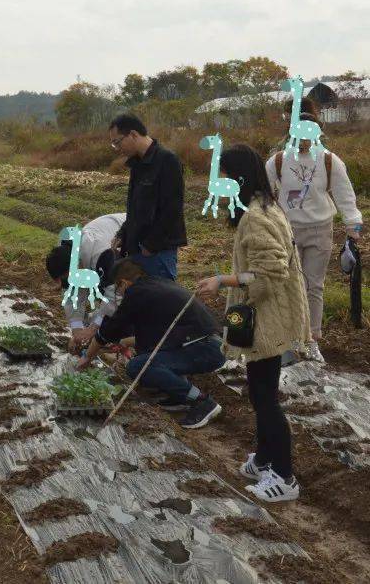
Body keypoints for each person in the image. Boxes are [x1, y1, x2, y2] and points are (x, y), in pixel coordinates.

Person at [195, 144, 311, 503]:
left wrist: (222, 280)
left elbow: (269, 272)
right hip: (266, 311)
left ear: (238, 178)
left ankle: (284, 476)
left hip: (268, 316)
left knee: (265, 396)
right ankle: (264, 459)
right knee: (258, 391)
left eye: (225, 176)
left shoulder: (256, 217)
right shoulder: (263, 205)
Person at [78, 258, 225, 428]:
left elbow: (108, 331)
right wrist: (124, 342)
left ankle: (202, 401)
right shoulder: (156, 285)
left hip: (205, 349)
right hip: (209, 344)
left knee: (138, 366)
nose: (119, 294)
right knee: (147, 359)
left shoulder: (136, 293)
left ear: (124, 283)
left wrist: (87, 357)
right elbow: (158, 335)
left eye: (118, 288)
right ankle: (179, 396)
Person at [265, 108, 363, 362]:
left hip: (321, 230)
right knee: (288, 285)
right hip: (287, 231)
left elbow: (344, 194)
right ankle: (288, 340)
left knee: (313, 286)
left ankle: (311, 339)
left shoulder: (329, 160)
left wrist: (354, 224)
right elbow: (262, 194)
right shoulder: (277, 161)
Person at [108, 114, 186, 280]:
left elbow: (172, 209)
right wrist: (123, 233)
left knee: (160, 300)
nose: (117, 148)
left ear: (133, 134)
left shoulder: (167, 161)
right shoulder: (137, 165)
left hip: (158, 252)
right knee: (142, 299)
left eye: (117, 142)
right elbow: (135, 208)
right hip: (138, 248)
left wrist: (151, 245)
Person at [45, 212, 126, 347]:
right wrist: (77, 330)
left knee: (129, 298)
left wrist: (93, 328)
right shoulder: (67, 254)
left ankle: (127, 344)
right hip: (106, 241)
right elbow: (72, 296)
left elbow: (114, 295)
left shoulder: (102, 255)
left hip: (139, 237)